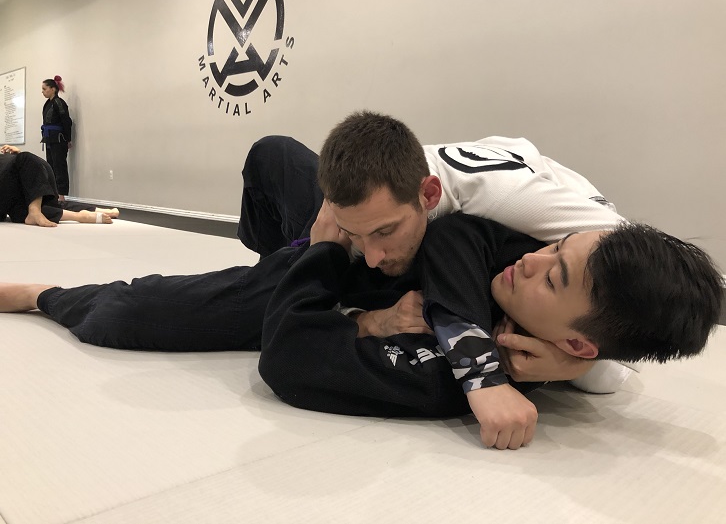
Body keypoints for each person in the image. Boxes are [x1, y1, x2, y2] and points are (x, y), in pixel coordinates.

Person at [0, 113, 722, 450]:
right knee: (273, 157)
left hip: (347, 257)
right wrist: (479, 366)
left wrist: (555, 366)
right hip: (344, 222)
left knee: (153, 313)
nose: (532, 258)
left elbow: (613, 359)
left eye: (552, 271)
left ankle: (40, 294)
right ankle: (276, 250)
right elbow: (461, 237)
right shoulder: (538, 225)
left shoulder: (586, 344)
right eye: (553, 250)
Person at [238, 119, 631, 393]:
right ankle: (271, 261)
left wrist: (578, 364)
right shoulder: (500, 197)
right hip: (388, 204)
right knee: (270, 154)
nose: (532, 263)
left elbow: (648, 292)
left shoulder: (569, 226)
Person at [0, 145, 118, 226]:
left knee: (28, 208)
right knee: (22, 211)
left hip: (28, 171)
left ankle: (86, 213)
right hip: (22, 172)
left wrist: (16, 155)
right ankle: (35, 210)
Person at [41, 75, 73, 201]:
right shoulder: (47, 104)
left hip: (59, 139)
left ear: (53, 89)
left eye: (44, 89)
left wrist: (68, 139)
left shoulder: (59, 103)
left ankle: (61, 195)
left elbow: (66, 121)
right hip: (49, 139)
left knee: (60, 166)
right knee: (50, 166)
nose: (42, 92)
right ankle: (53, 194)